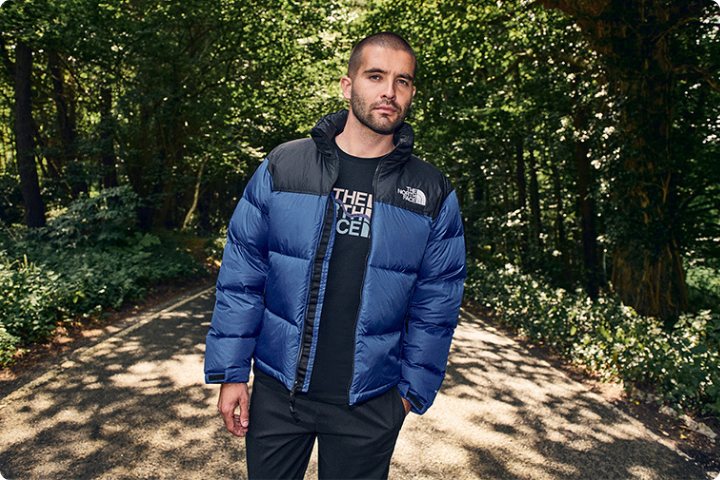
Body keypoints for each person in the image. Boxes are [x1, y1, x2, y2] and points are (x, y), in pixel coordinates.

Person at [204, 32, 466, 480]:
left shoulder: (431, 191)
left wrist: (408, 395)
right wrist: (232, 373)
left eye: (402, 81)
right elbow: (242, 275)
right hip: (278, 393)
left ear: (412, 93)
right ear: (348, 86)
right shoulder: (284, 166)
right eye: (375, 76)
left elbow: (437, 301)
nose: (389, 91)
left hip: (370, 404)